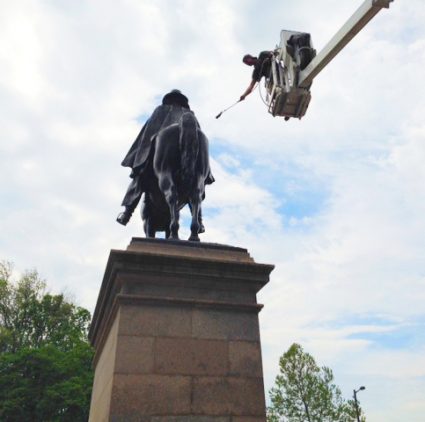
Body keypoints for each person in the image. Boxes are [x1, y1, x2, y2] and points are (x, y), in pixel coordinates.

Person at [116, 89, 212, 226]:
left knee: (140, 176)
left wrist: (141, 155)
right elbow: (195, 144)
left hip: (163, 151)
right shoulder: (190, 115)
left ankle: (127, 213)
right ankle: (198, 219)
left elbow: (147, 135)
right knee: (198, 180)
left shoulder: (160, 110)